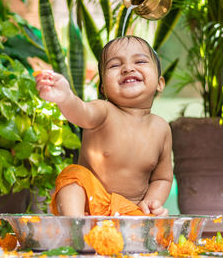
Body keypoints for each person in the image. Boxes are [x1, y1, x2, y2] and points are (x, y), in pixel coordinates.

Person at [34, 36, 173, 217]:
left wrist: (151, 202)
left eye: (139, 61)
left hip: (131, 212)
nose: (128, 68)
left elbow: (162, 178)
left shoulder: (161, 129)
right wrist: (65, 97)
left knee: (159, 218)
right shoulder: (104, 111)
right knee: (73, 177)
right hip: (90, 206)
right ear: (103, 89)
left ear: (160, 83)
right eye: (115, 65)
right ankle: (76, 224)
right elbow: (80, 111)